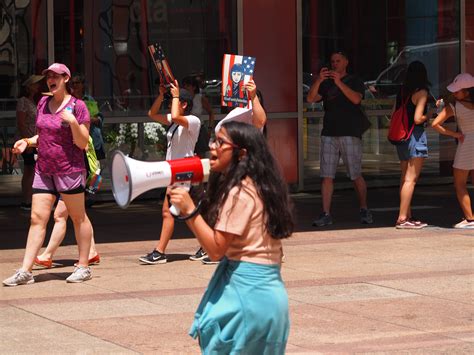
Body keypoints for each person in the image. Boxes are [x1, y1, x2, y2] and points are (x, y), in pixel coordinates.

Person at [169, 121, 293, 353]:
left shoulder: (240, 193)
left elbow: (216, 250)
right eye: (213, 141)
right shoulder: (257, 187)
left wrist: (189, 211)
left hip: (247, 295)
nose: (212, 147)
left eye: (221, 142)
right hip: (268, 297)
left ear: (241, 153)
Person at [3, 63, 93, 286]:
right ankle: (26, 270)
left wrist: (72, 121)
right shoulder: (43, 102)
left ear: (65, 79)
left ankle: (83, 266)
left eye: (55, 76)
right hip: (44, 168)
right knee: (37, 219)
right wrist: (27, 142)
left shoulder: (78, 106)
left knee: (77, 217)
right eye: (48, 77)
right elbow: (42, 136)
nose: (51, 80)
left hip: (69, 168)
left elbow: (82, 143)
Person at [189, 79, 267, 264]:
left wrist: (253, 96)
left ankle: (220, 247)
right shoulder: (236, 115)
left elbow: (261, 119)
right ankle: (211, 245)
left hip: (243, 170)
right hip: (229, 169)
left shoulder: (254, 119)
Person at [307, 50, 373, 227]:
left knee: (355, 174)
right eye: (332, 61)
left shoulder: (354, 81)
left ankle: (364, 208)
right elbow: (311, 98)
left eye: (338, 61)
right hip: (329, 133)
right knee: (327, 176)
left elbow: (356, 99)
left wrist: (339, 82)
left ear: (346, 62)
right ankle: (326, 213)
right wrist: (320, 80)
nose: (334, 64)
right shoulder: (326, 83)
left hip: (350, 132)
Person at [138, 80, 200, 264]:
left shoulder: (193, 121)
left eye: (176, 101)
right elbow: (152, 113)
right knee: (185, 213)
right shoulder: (174, 123)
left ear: (184, 105)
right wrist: (161, 94)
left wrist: (174, 96)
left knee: (170, 212)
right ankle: (206, 245)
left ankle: (160, 252)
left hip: (184, 171)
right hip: (174, 171)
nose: (171, 103)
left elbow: (174, 115)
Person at [389, 61, 432, 229]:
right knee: (411, 179)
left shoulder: (402, 91)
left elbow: (393, 113)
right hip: (415, 137)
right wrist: (429, 114)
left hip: (401, 138)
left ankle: (407, 214)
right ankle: (402, 218)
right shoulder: (422, 92)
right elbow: (417, 118)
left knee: (404, 177)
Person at [432, 73, 474, 229]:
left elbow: (435, 124)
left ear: (467, 91)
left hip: (466, 143)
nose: (454, 94)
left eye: (457, 91)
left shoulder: (455, 106)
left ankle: (470, 219)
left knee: (460, 184)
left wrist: (455, 134)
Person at [15, 74, 44, 210]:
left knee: (30, 170)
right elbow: (21, 123)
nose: (37, 86)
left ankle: (28, 199)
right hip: (27, 141)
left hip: (33, 140)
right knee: (29, 169)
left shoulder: (33, 101)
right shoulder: (23, 101)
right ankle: (26, 200)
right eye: (35, 84)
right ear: (28, 87)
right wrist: (27, 142)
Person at [71, 73, 106, 160]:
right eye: (73, 83)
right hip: (77, 141)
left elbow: (99, 117)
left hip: (93, 139)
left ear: (82, 85)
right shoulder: (70, 100)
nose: (75, 85)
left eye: (77, 83)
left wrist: (95, 120)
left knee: (95, 170)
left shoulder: (89, 99)